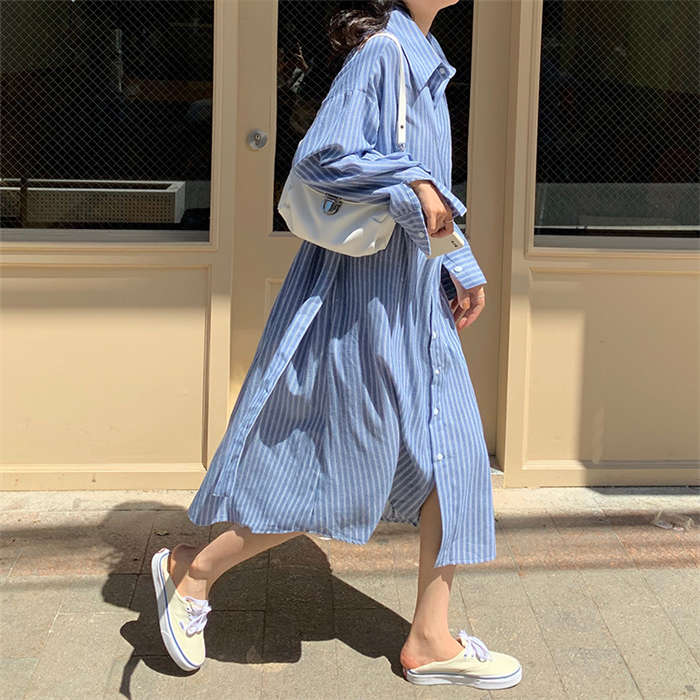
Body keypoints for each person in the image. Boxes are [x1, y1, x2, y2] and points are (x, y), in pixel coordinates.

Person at [150, 0, 522, 689]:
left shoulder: (428, 65)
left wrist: (459, 262)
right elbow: (324, 156)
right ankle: (191, 572)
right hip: (364, 305)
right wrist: (411, 180)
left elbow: (426, 202)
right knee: (336, 466)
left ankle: (430, 639)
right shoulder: (384, 53)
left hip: (416, 302)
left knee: (458, 460)